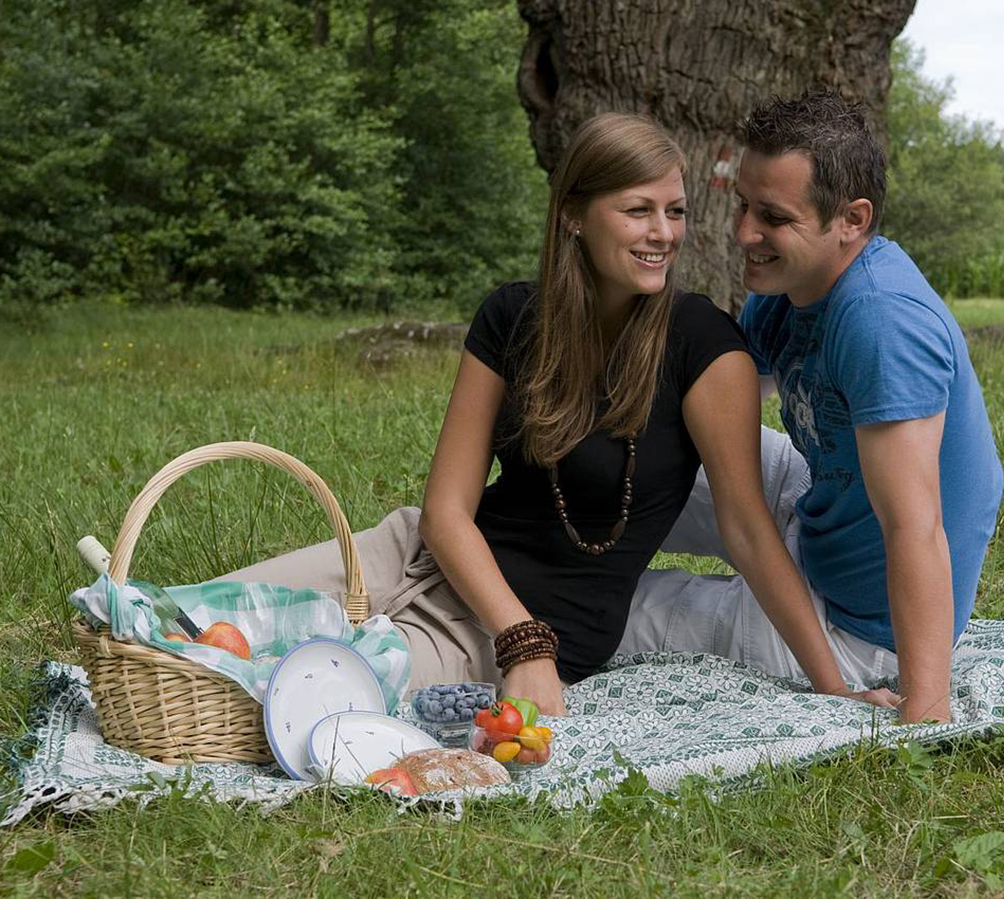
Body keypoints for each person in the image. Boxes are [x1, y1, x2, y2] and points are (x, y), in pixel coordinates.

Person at [220, 112, 899, 717]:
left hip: (528, 632)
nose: (663, 233)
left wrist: (834, 685)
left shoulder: (705, 346)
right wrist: (515, 632)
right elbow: (445, 512)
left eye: (675, 211)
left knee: (276, 696)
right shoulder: (512, 317)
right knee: (185, 621)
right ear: (574, 213)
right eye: (639, 210)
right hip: (414, 560)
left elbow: (748, 529)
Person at [622, 92, 1004, 725]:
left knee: (621, 608)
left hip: (860, 624)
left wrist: (926, 709)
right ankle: (504, 540)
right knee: (631, 469)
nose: (743, 232)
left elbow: (917, 526)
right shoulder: (788, 286)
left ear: (851, 219)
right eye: (743, 203)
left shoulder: (882, 321)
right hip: (821, 507)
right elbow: (710, 412)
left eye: (772, 216)